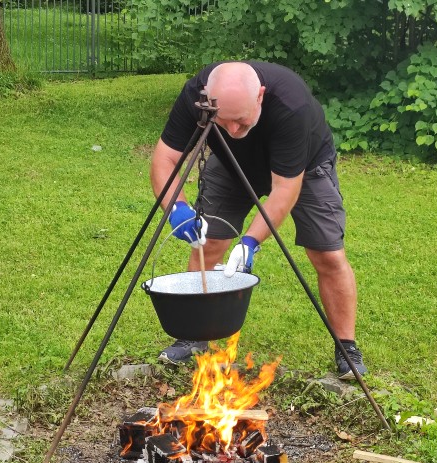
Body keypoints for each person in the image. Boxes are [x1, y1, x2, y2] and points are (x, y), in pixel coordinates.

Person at [150, 61, 367, 380]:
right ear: (208, 101)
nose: (234, 131)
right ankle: (195, 335)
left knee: (328, 255)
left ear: (260, 96)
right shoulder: (196, 95)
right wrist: (177, 209)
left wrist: (250, 241)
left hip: (304, 169)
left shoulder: (292, 106)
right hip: (229, 165)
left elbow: (284, 190)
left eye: (240, 120)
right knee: (208, 244)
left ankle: (346, 346)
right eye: (224, 122)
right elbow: (165, 159)